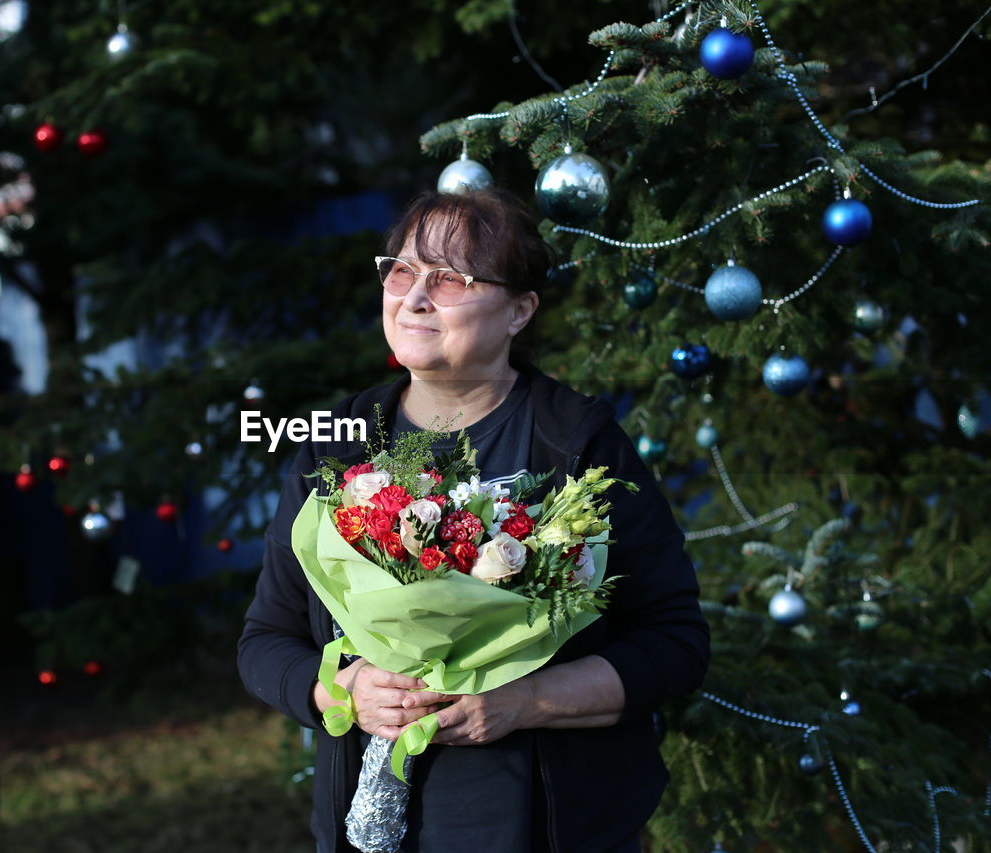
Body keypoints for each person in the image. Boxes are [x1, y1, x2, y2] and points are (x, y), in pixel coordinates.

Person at [237, 187, 710, 852]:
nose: (415, 297)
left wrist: (526, 699)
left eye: (451, 278)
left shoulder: (575, 444)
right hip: (369, 830)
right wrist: (341, 687)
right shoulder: (334, 446)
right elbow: (265, 641)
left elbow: (675, 642)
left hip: (548, 826)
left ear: (520, 310)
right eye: (402, 271)